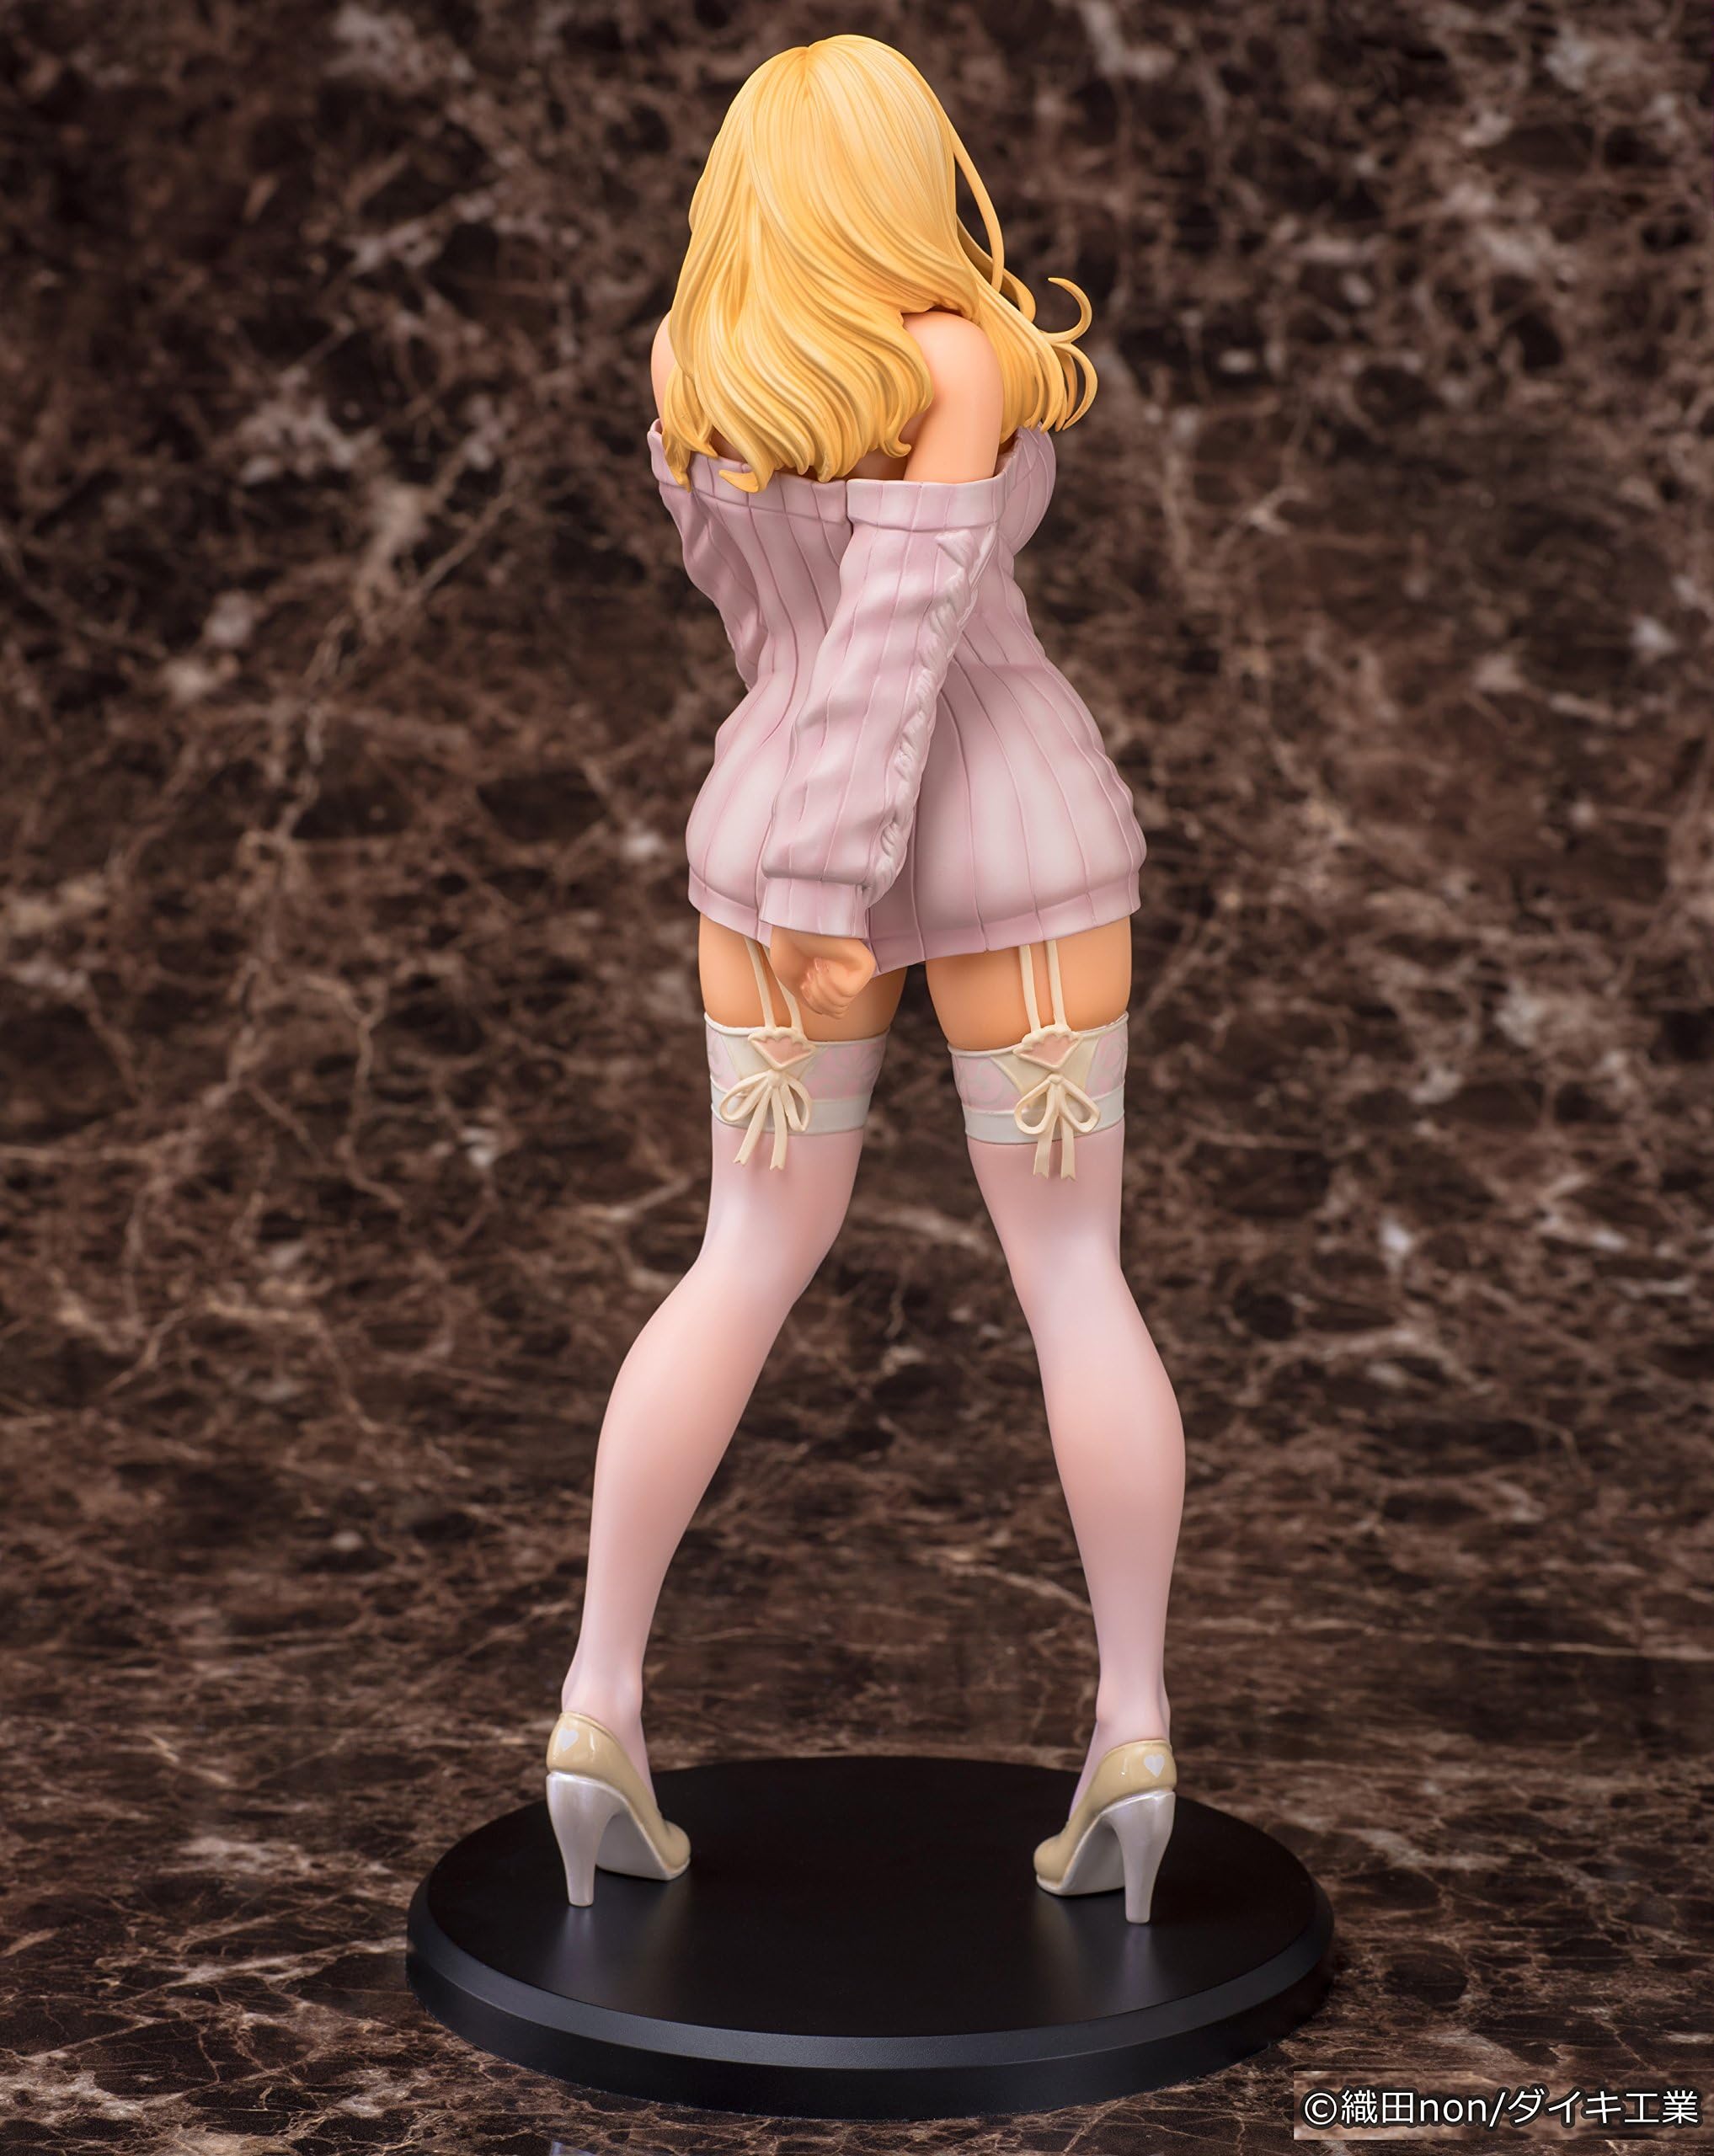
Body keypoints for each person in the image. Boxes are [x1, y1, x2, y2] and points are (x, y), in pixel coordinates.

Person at [543, 35, 1185, 1925]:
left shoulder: (695, 357)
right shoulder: (960, 357)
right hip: (1004, 838)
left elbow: (782, 632)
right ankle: (1133, 1727)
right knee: (1071, 1270)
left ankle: (596, 1703)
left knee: (745, 1249)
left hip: (765, 832)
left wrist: (804, 863)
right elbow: (908, 635)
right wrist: (842, 878)